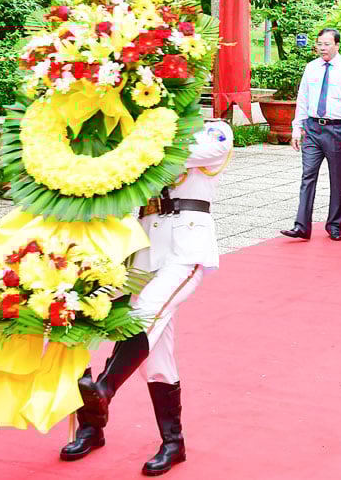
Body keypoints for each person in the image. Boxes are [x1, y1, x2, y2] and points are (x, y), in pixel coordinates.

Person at [61, 120, 235, 475]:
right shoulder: (140, 135)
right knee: (90, 321)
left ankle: (104, 388)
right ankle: (156, 438)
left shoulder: (213, 130)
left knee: (146, 313)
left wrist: (137, 143)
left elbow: (196, 152)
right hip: (142, 250)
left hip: (186, 248)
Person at [281, 28, 341, 242]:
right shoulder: (311, 68)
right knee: (307, 176)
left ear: (337, 45)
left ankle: (335, 225)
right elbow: (303, 98)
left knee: (338, 179)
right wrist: (296, 128)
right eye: (319, 44)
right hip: (313, 128)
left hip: (338, 129)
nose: (322, 48)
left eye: (327, 44)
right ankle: (301, 225)